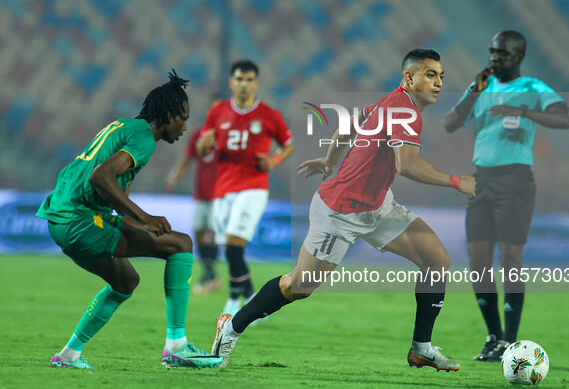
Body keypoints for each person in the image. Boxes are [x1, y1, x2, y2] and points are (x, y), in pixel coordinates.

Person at [211, 49, 476, 371]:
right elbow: (406, 165)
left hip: (378, 206)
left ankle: (421, 348)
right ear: (409, 77)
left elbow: (350, 124)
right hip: (340, 212)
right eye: (431, 75)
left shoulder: (390, 103)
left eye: (441, 76)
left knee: (437, 259)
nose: (438, 83)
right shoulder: (403, 109)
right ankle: (230, 327)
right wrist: (457, 181)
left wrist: (330, 160)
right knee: (298, 287)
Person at [36, 70, 223, 369]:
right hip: (78, 220)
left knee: (125, 281)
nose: (186, 126)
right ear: (168, 114)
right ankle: (176, 346)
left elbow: (114, 196)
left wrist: (142, 221)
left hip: (62, 217)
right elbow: (101, 177)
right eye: (183, 118)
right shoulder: (145, 139)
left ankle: (69, 355)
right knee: (181, 244)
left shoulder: (124, 126)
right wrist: (146, 217)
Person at [443, 30, 569, 362]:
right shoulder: (482, 89)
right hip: (481, 180)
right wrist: (473, 90)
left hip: (515, 180)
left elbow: (563, 117)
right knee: (478, 264)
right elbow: (450, 123)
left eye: (501, 53)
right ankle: (493, 338)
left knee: (511, 261)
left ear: (519, 57)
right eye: (491, 52)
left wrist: (525, 112)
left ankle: (511, 344)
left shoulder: (532, 88)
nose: (494, 58)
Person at [197, 60, 293, 315]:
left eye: (249, 80)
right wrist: (204, 145)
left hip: (253, 186)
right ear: (232, 82)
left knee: (233, 244)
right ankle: (252, 299)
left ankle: (232, 299)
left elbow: (288, 144)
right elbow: (202, 148)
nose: (244, 84)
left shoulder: (270, 115)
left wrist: (272, 160)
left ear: (256, 83)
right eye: (239, 79)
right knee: (229, 247)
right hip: (223, 188)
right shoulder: (217, 113)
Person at [166, 94, 223, 295]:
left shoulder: (229, 137)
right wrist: (174, 177)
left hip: (221, 194)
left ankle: (209, 273)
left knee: (213, 232)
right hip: (202, 193)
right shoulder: (199, 134)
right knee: (199, 231)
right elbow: (187, 159)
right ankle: (210, 273)